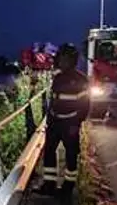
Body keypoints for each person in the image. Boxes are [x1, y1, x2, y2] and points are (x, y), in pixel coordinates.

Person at [33, 43, 90, 196]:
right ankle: (49, 185)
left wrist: (76, 124)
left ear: (72, 60)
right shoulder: (58, 78)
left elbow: (85, 105)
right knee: (49, 152)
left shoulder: (81, 80)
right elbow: (53, 100)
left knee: (71, 155)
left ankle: (68, 187)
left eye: (65, 59)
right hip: (55, 123)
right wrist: (49, 121)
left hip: (70, 124)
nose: (62, 62)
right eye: (61, 58)